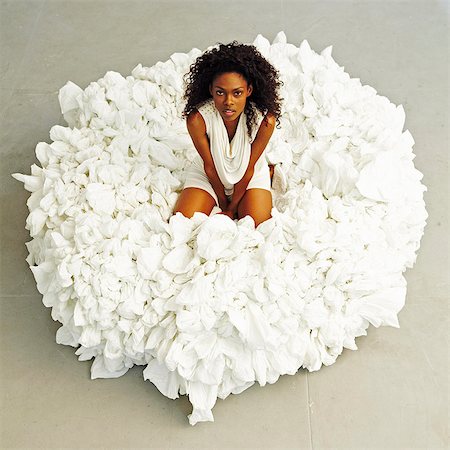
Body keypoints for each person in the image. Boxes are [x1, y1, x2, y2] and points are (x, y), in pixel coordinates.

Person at [172, 40, 283, 227]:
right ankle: (217, 199)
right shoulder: (197, 119)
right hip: (208, 176)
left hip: (250, 174)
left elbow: (248, 170)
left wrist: (231, 209)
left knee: (258, 224)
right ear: (211, 91)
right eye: (220, 93)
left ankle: (268, 173)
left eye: (237, 93)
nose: (228, 102)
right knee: (182, 222)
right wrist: (223, 202)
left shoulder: (264, 120)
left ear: (249, 90)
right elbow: (210, 168)